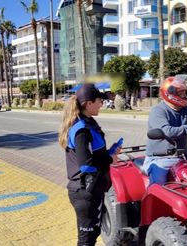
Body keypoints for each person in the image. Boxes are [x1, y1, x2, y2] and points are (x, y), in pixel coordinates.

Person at [58, 83, 120, 246]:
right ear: (89, 103)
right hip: (84, 191)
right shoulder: (81, 129)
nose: (102, 103)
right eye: (100, 100)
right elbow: (86, 164)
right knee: (86, 239)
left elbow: (94, 154)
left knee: (93, 234)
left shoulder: (89, 123)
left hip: (92, 190)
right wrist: (110, 159)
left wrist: (110, 152)